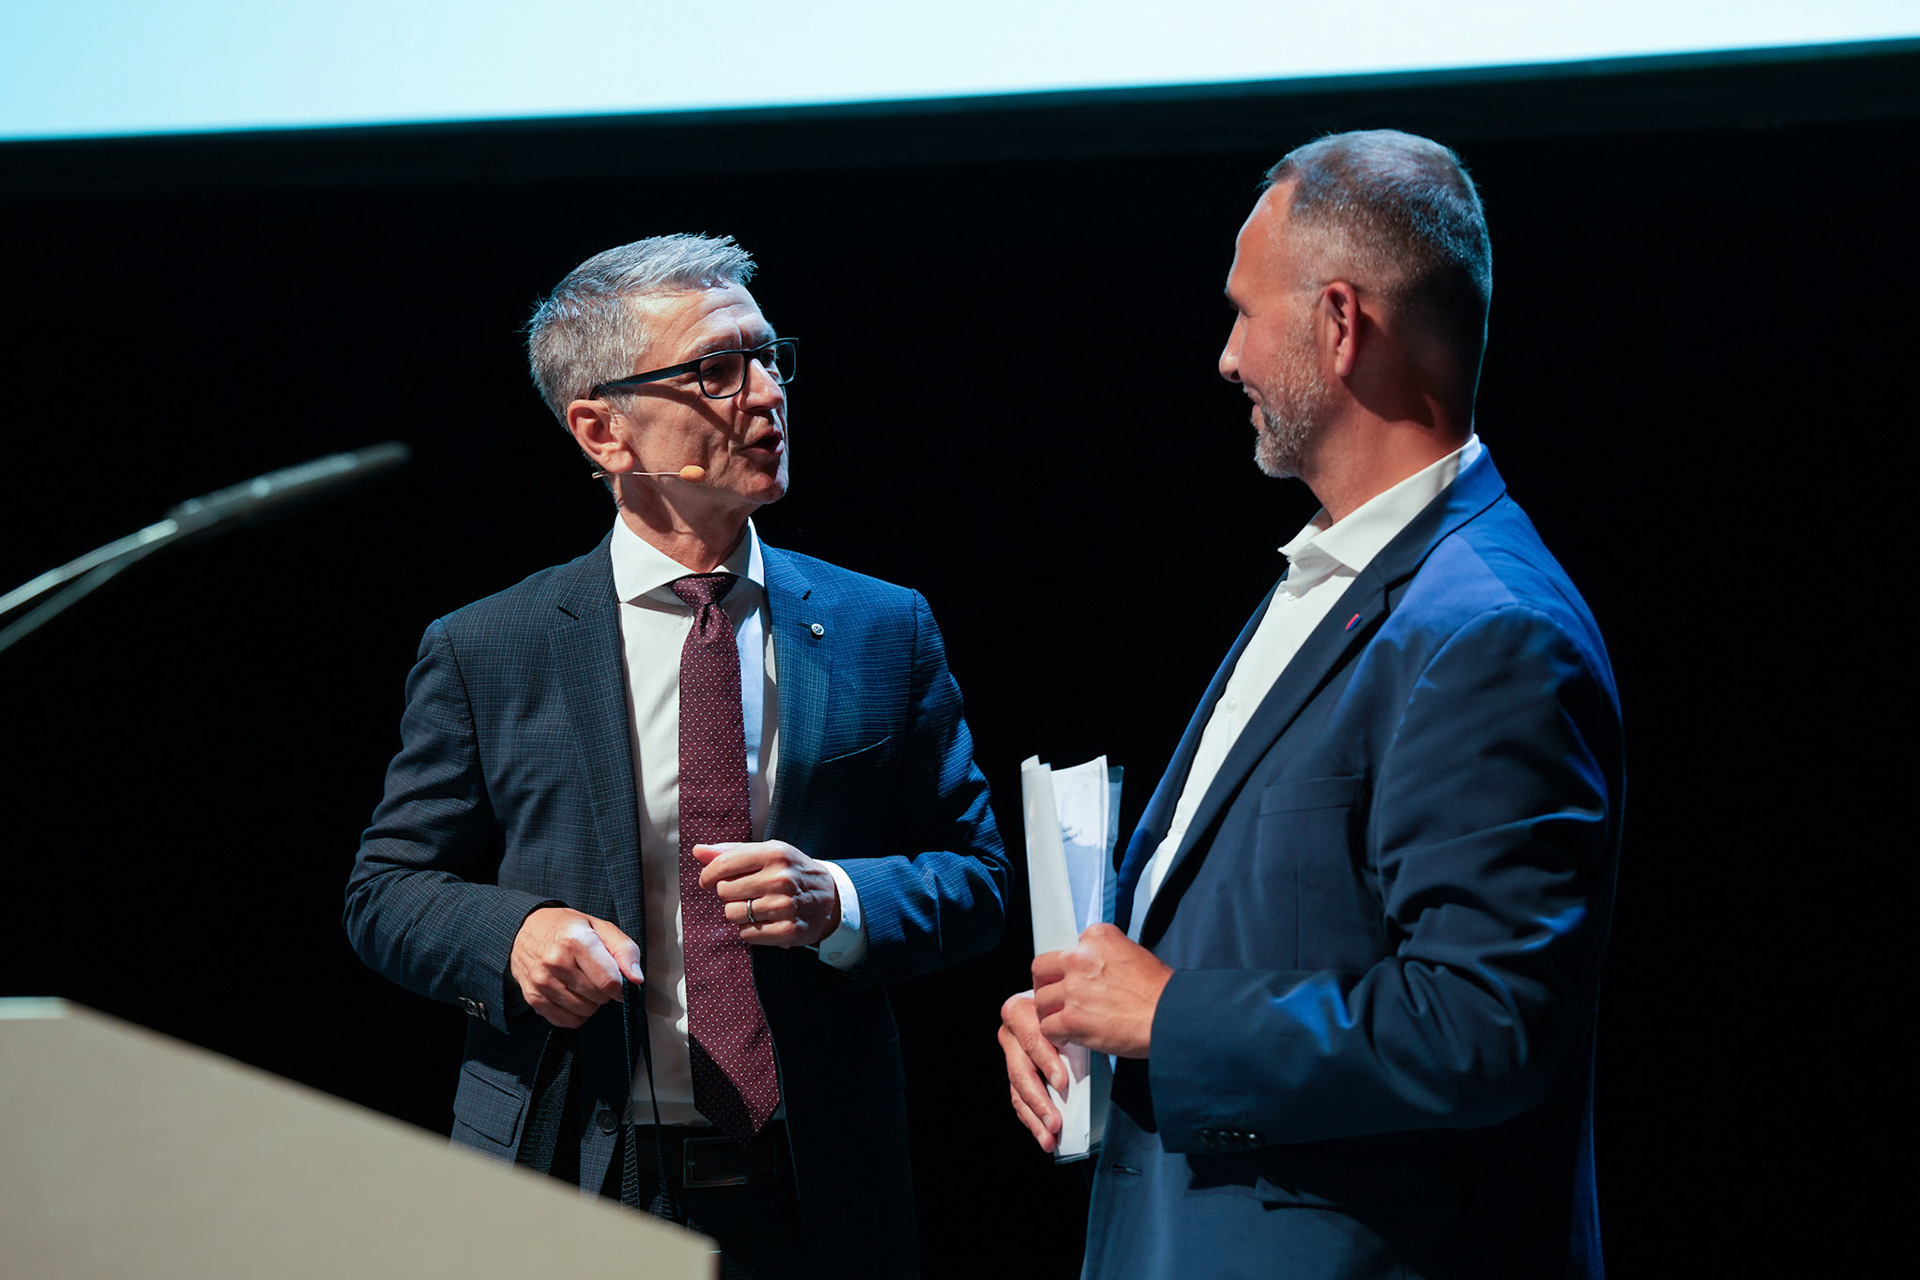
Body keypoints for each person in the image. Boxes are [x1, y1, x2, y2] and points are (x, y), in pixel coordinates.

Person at [999, 130, 1623, 1279]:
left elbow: (1482, 1022)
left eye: (1246, 313)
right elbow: (1241, 927)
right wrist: (1082, 1010)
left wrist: (1170, 1017)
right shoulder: (1333, 579)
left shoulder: (1489, 629)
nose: (1227, 356)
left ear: (1339, 324)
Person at [346, 233, 1007, 1280]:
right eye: (716, 370)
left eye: (769, 357)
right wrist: (515, 934)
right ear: (602, 430)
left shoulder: (882, 626)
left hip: (819, 1178)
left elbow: (977, 879)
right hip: (576, 1160)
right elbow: (385, 889)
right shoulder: (490, 646)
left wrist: (841, 898)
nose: (767, 394)